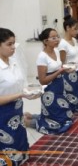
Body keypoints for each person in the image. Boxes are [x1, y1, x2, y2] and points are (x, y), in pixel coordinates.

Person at [0, 28, 41, 165]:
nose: (13, 47)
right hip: (3, 113)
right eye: (9, 44)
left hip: (16, 110)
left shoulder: (12, 62)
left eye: (14, 43)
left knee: (19, 137)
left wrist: (30, 92)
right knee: (6, 142)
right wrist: (21, 94)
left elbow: (18, 85)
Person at [24, 28, 73, 134]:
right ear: (46, 41)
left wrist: (66, 70)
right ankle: (28, 122)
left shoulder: (56, 51)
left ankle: (32, 116)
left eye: (58, 37)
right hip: (49, 90)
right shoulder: (42, 57)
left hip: (60, 87)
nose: (57, 40)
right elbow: (42, 81)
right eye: (53, 37)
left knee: (65, 117)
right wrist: (59, 72)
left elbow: (59, 69)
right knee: (56, 124)